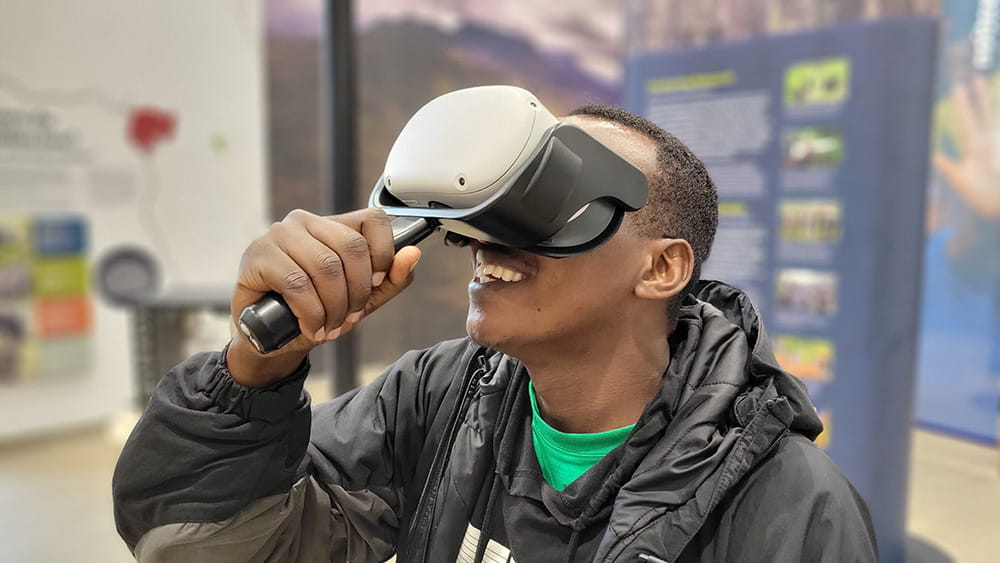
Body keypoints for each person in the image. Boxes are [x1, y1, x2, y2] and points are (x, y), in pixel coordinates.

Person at [112, 103, 877, 562]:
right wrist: (251, 373)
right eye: (493, 198)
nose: (486, 238)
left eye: (551, 194)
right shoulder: (438, 400)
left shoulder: (788, 503)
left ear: (661, 268)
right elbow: (200, 544)